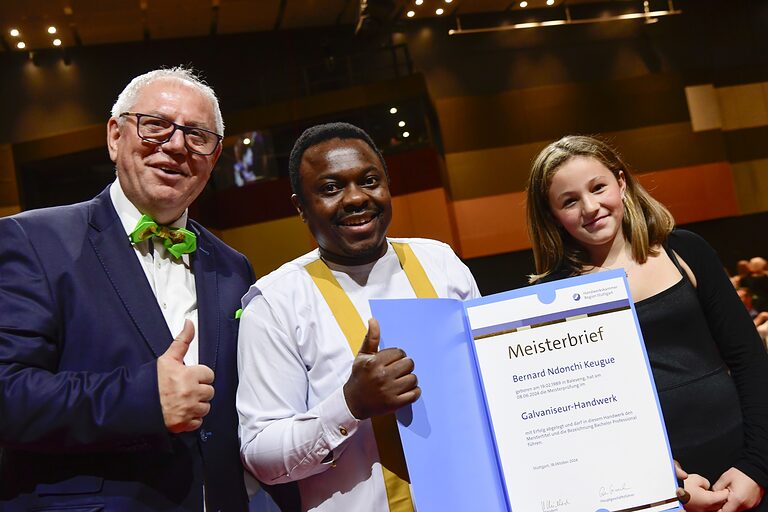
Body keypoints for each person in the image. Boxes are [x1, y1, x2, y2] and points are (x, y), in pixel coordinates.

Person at [0, 67, 255, 511]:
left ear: (213, 159)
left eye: (197, 135)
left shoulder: (234, 269)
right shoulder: (32, 241)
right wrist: (141, 399)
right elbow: (8, 394)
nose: (176, 145)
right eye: (155, 125)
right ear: (115, 135)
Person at [236, 122, 480, 511]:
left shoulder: (442, 263)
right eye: (331, 188)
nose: (355, 198)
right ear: (300, 206)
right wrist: (349, 405)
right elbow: (260, 456)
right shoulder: (274, 302)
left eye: (369, 180)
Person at [525, 135, 768, 512]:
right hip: (649, 489)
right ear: (552, 213)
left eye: (598, 187)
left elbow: (750, 361)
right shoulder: (551, 297)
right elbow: (577, 418)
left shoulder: (685, 251)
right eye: (569, 201)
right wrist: (661, 481)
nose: (590, 207)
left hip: (743, 458)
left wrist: (756, 466)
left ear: (621, 183)